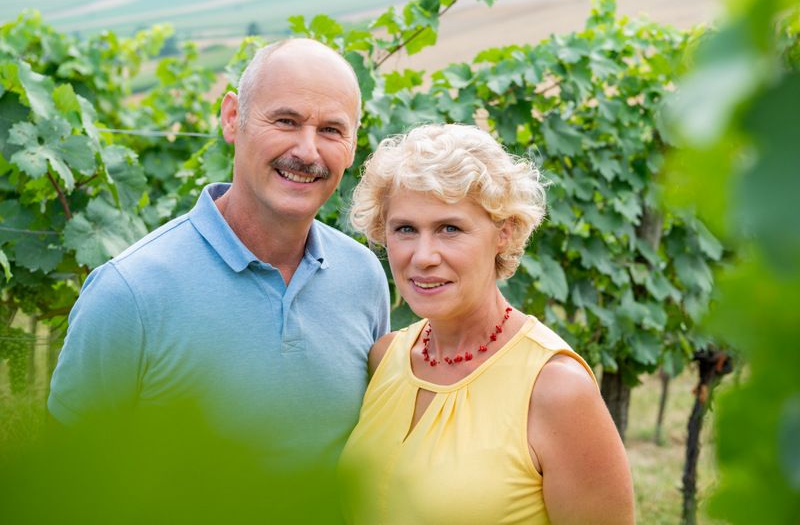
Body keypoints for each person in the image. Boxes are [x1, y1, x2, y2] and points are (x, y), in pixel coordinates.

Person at [48, 39, 390, 484]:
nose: (308, 151)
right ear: (233, 118)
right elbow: (68, 482)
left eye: (331, 130)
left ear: (352, 144)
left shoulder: (362, 276)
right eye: (286, 121)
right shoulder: (128, 292)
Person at [339, 123, 634, 524]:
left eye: (450, 229)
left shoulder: (556, 390)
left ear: (504, 233)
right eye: (405, 229)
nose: (423, 255)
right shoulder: (385, 358)